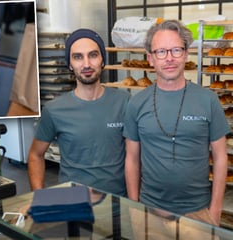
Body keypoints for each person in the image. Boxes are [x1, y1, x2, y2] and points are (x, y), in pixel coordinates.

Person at [124, 19, 230, 236]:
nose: (169, 58)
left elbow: (220, 157)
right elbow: (132, 159)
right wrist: (134, 208)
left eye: (176, 50)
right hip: (149, 214)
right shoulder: (136, 103)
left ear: (186, 53)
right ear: (150, 58)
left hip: (198, 215)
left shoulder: (208, 100)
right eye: (161, 51)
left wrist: (215, 211)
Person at [28, 28, 130, 196]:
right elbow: (35, 155)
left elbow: (136, 156)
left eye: (93, 55)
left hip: (118, 201)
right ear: (69, 64)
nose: (86, 64)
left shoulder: (124, 102)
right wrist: (38, 197)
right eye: (77, 57)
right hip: (73, 201)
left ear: (102, 60)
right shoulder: (54, 110)